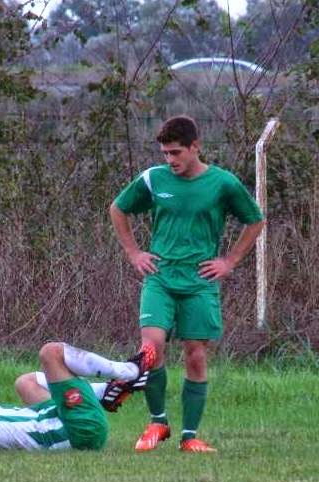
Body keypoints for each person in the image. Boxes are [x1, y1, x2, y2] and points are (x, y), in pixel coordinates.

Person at [110, 115, 265, 453]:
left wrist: (229, 261)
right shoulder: (153, 178)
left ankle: (190, 436)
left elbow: (255, 220)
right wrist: (134, 252)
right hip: (160, 278)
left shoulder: (222, 183)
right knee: (151, 349)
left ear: (195, 147)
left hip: (199, 282)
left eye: (176, 152)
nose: (170, 160)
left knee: (195, 356)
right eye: (165, 153)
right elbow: (118, 209)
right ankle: (158, 423)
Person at [0, 342, 155, 450]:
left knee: (25, 383)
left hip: (58, 419)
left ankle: (105, 394)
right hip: (81, 429)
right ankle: (130, 372)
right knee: (51, 353)